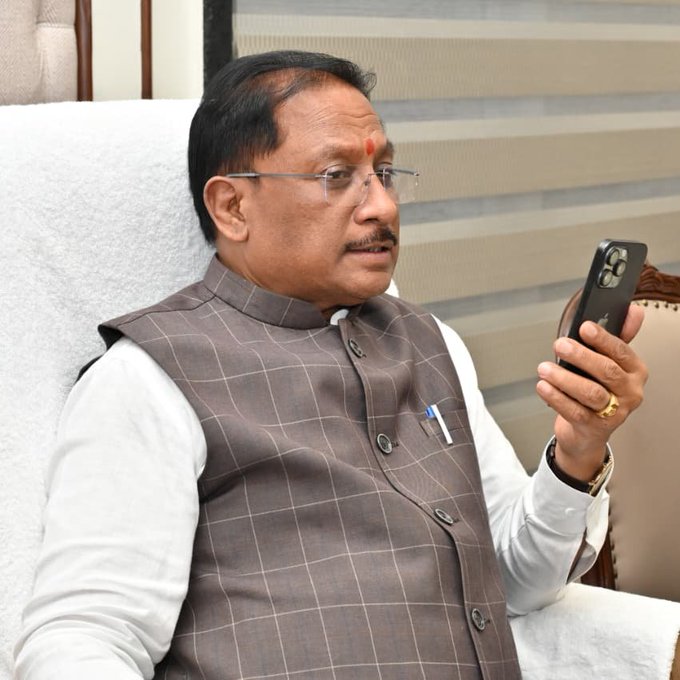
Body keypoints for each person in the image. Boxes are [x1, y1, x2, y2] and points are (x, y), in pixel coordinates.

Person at [14, 50, 647, 680]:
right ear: (232, 207)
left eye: (385, 172)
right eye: (337, 175)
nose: (382, 207)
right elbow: (84, 639)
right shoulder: (150, 380)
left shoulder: (433, 345)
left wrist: (578, 450)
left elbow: (513, 581)